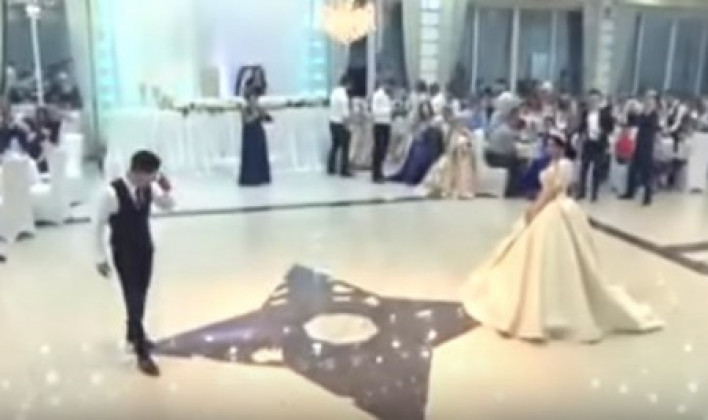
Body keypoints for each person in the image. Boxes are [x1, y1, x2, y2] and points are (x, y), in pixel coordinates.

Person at [461, 130, 663, 343]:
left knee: (555, 251)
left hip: (556, 209)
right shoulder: (555, 164)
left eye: (552, 144)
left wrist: (535, 208)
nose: (549, 148)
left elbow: (550, 191)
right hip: (557, 208)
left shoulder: (564, 165)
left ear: (560, 146)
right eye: (548, 144)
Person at [93, 150, 175, 376]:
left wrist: (167, 189)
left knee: (142, 293)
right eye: (152, 174)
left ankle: (133, 333)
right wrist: (100, 257)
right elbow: (97, 226)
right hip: (124, 251)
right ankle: (141, 351)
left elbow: (169, 205)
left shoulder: (148, 188)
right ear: (139, 172)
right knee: (133, 297)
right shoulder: (111, 193)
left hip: (145, 249)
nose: (154, 178)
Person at [388, 101, 444, 186]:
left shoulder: (436, 119)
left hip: (431, 145)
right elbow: (415, 133)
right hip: (421, 143)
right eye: (423, 109)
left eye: (427, 109)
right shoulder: (418, 121)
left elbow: (439, 133)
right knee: (416, 150)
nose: (425, 111)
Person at [423, 111, 477, 199]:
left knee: (462, 171)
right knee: (445, 170)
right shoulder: (454, 133)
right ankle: (445, 188)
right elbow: (451, 146)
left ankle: (460, 189)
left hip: (463, 158)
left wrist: (465, 145)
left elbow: (469, 143)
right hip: (454, 157)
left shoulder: (465, 133)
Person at [621, 92, 660, 206]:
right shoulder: (642, 114)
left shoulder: (654, 115)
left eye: (650, 100)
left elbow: (652, 127)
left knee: (646, 171)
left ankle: (647, 196)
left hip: (647, 146)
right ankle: (630, 192)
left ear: (654, 103)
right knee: (632, 169)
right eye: (647, 99)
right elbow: (633, 122)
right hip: (638, 144)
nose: (648, 102)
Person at [576, 89, 615, 202]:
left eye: (595, 100)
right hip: (588, 143)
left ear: (599, 101)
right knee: (584, 168)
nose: (593, 102)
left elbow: (610, 127)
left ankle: (594, 193)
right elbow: (582, 126)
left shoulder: (605, 114)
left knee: (597, 169)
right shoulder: (585, 113)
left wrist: (603, 132)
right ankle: (582, 191)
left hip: (599, 144)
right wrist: (580, 135)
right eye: (591, 100)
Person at [485, 96, 526, 198]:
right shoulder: (505, 128)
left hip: (491, 153)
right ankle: (512, 191)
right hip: (496, 156)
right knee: (517, 162)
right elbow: (512, 151)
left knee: (516, 161)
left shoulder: (498, 121)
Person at [238, 89, 272, 186]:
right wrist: (255, 115)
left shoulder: (259, 108)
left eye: (255, 99)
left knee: (260, 156)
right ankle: (250, 178)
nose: (254, 101)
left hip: (258, 135)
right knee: (251, 157)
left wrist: (264, 114)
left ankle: (262, 177)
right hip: (249, 136)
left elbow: (269, 119)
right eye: (252, 99)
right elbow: (246, 121)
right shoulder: (245, 109)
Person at [327, 75, 352, 177]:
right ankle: (344, 169)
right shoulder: (344, 96)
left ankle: (331, 168)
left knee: (334, 146)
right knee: (345, 148)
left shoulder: (334, 92)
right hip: (341, 124)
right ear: (347, 84)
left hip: (332, 122)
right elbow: (345, 114)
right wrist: (348, 127)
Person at [371, 80, 393, 182]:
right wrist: (388, 111)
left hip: (387, 124)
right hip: (379, 124)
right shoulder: (377, 95)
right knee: (378, 149)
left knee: (384, 149)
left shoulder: (388, 96)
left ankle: (380, 172)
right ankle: (376, 174)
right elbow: (374, 111)